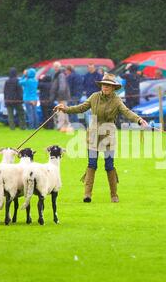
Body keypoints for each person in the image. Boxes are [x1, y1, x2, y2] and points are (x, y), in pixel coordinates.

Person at [54, 73, 149, 203]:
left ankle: (114, 195)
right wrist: (65, 109)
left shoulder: (117, 100)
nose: (105, 87)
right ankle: (87, 194)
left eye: (108, 85)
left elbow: (127, 112)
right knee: (92, 164)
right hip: (93, 135)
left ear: (113, 88)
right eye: (104, 85)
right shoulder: (94, 97)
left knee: (109, 166)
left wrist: (139, 120)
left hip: (109, 135)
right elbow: (80, 108)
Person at [50, 61, 72, 132]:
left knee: (61, 112)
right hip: (61, 96)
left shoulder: (60, 75)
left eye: (56, 66)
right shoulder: (58, 74)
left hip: (62, 96)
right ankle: (67, 126)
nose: (55, 68)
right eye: (54, 66)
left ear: (59, 67)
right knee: (64, 111)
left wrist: (60, 95)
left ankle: (61, 126)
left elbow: (62, 86)